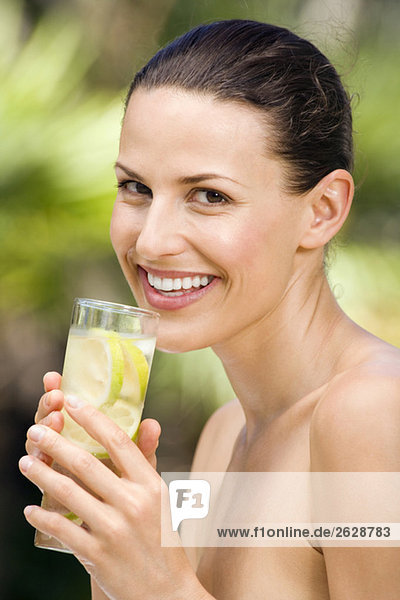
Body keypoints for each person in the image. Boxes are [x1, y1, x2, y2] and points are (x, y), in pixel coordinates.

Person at [20, 20, 400, 599]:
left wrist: (162, 585)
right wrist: (112, 551)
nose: (150, 242)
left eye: (210, 196)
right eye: (136, 188)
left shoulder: (371, 414)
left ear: (322, 210)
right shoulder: (225, 436)